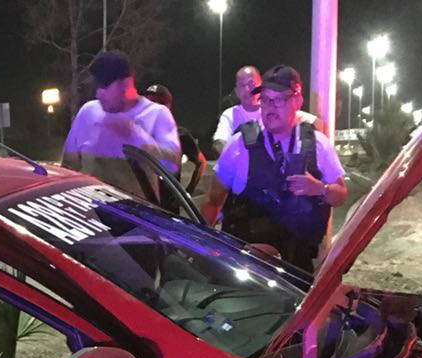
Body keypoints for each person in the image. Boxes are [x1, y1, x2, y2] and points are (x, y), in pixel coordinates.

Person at [202, 65, 347, 272]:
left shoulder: (318, 144)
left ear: (297, 101)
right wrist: (203, 253)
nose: (270, 108)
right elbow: (213, 201)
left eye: (279, 99)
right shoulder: (240, 144)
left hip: (297, 273)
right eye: (265, 100)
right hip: (246, 271)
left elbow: (340, 195)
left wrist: (319, 188)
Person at [61, 49, 181, 199]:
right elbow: (68, 166)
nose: (98, 93)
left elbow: (172, 166)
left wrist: (134, 135)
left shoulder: (157, 114)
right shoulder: (88, 112)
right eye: (96, 86)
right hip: (91, 210)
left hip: (135, 211)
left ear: (126, 83)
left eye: (105, 85)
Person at [143, 83, 207, 196]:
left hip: (168, 203)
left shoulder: (180, 135)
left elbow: (201, 162)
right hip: (139, 200)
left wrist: (188, 192)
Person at [212, 66, 262, 155]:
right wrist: (232, 156)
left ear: (261, 85)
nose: (247, 89)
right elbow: (219, 142)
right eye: (242, 85)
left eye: (251, 83)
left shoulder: (273, 111)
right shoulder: (230, 114)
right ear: (236, 91)